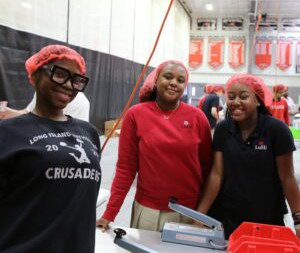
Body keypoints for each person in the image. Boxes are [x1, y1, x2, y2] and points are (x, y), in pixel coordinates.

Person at [0, 45, 101, 252]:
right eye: (60, 74)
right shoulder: (7, 133)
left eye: (76, 79)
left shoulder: (88, 133)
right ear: (35, 75)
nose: (68, 85)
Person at [97, 60, 212, 232]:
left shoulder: (198, 118)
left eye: (181, 81)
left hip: (188, 212)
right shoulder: (135, 115)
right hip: (148, 211)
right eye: (168, 77)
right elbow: (125, 169)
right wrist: (109, 214)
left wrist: (201, 215)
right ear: (156, 80)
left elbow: (207, 168)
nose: (174, 83)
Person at [196, 74, 300, 240]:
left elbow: (287, 178)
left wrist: (298, 220)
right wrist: (199, 217)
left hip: (266, 219)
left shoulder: (276, 130)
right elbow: (216, 175)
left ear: (258, 100)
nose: (236, 101)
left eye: (244, 97)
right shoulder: (223, 130)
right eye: (231, 97)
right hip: (227, 217)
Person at [0, 91, 90, 122]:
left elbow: (79, 136)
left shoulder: (79, 101)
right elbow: (29, 112)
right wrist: (8, 113)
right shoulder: (41, 91)